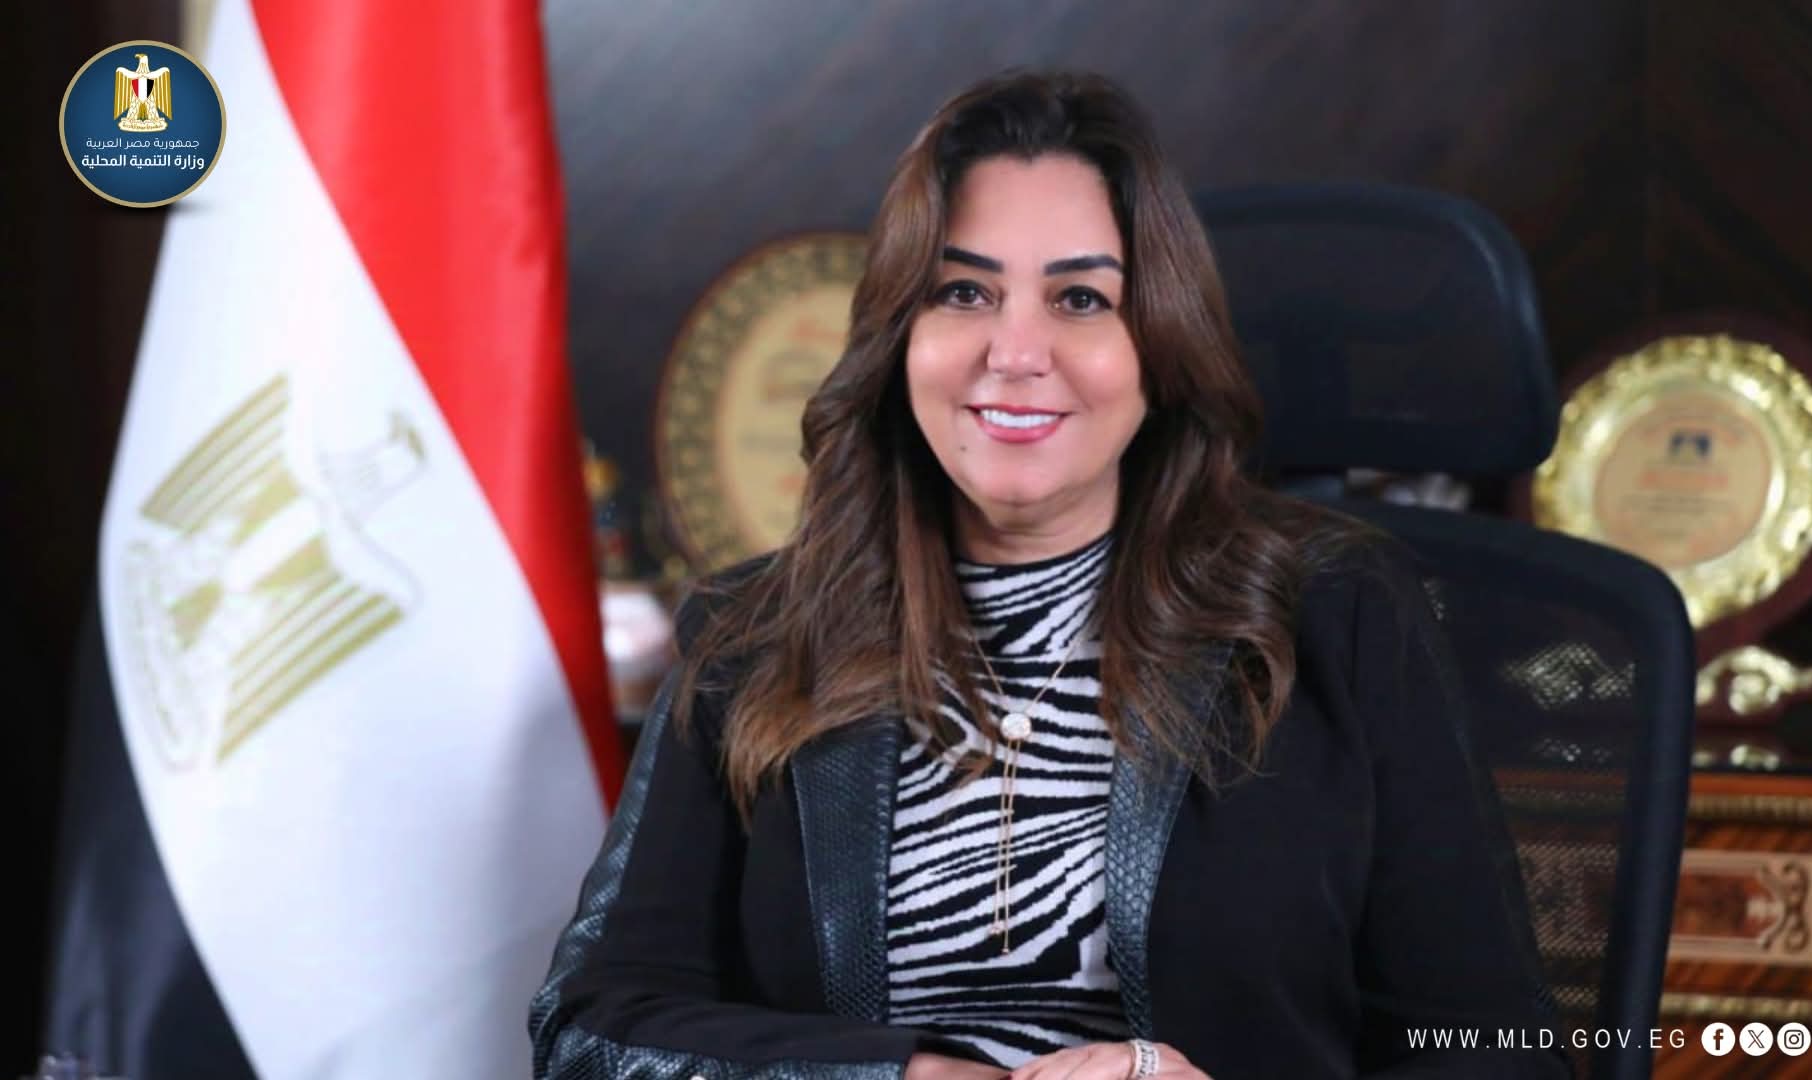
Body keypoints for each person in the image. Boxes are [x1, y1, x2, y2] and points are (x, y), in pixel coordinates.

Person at [530, 70, 1569, 1080]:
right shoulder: (754, 635)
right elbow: (591, 1034)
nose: (1015, 351)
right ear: (901, 336)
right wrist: (915, 1078)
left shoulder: (1339, 611)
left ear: (1158, 347)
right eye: (964, 292)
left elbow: (1496, 1050)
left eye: (1079, 298)